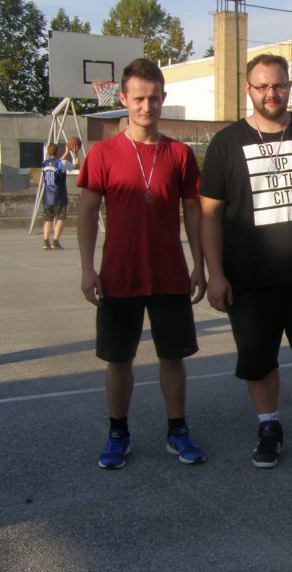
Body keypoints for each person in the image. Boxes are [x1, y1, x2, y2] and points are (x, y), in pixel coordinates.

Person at [200, 53, 292, 469]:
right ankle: (268, 429)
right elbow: (209, 213)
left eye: (279, 85)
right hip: (249, 277)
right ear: (248, 89)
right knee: (258, 360)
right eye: (263, 86)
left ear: (289, 86)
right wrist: (216, 273)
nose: (272, 93)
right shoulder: (226, 143)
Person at [77, 58, 207, 470]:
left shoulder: (180, 153)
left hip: (169, 275)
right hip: (119, 275)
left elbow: (194, 212)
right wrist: (87, 268)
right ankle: (118, 433)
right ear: (123, 99)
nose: (146, 106)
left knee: (173, 357)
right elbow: (86, 212)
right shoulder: (102, 153)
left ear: (163, 97)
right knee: (118, 359)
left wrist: (199, 265)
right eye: (138, 98)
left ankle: (177, 431)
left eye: (153, 98)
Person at [41, 139, 80, 250]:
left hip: (47, 196)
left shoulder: (45, 163)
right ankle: (55, 241)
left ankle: (46, 242)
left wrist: (66, 153)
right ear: (58, 151)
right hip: (58, 196)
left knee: (48, 219)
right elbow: (76, 166)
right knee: (60, 218)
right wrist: (75, 154)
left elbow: (57, 163)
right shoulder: (62, 163)